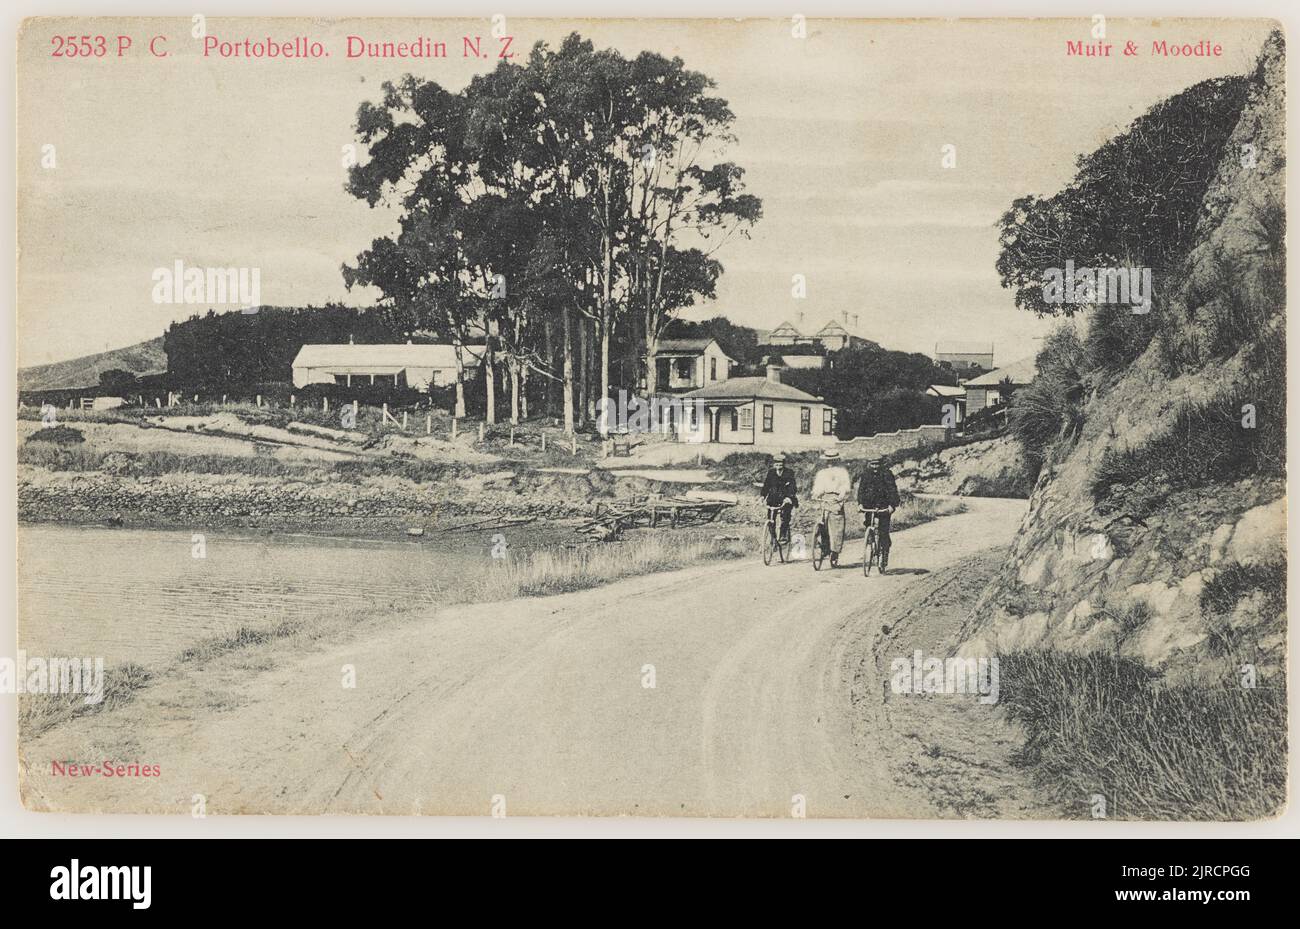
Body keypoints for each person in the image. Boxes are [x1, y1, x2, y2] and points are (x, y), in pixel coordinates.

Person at [856, 456, 900, 571]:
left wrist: (892, 505)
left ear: (881, 464)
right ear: (869, 464)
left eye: (877, 464)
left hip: (883, 506)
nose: (875, 467)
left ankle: (884, 553)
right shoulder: (866, 475)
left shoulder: (886, 474)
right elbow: (861, 490)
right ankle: (871, 541)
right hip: (869, 506)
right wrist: (860, 503)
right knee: (868, 526)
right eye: (872, 464)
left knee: (883, 532)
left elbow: (892, 490)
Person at [810, 449, 851, 565]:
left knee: (837, 527)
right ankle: (824, 547)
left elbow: (846, 486)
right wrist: (816, 494)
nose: (830, 463)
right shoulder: (822, 473)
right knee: (822, 524)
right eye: (828, 460)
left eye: (832, 460)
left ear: (836, 460)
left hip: (836, 500)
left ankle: (835, 552)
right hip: (825, 499)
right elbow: (818, 487)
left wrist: (841, 496)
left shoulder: (842, 472)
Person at [759, 453, 798, 542]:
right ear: (774, 464)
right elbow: (766, 486)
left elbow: (793, 486)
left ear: (784, 464)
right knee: (770, 518)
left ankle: (783, 534)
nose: (778, 466)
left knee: (785, 516)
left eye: (781, 464)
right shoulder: (771, 472)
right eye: (776, 464)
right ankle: (773, 538)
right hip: (773, 498)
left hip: (786, 498)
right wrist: (762, 496)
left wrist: (789, 497)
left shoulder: (789, 472)